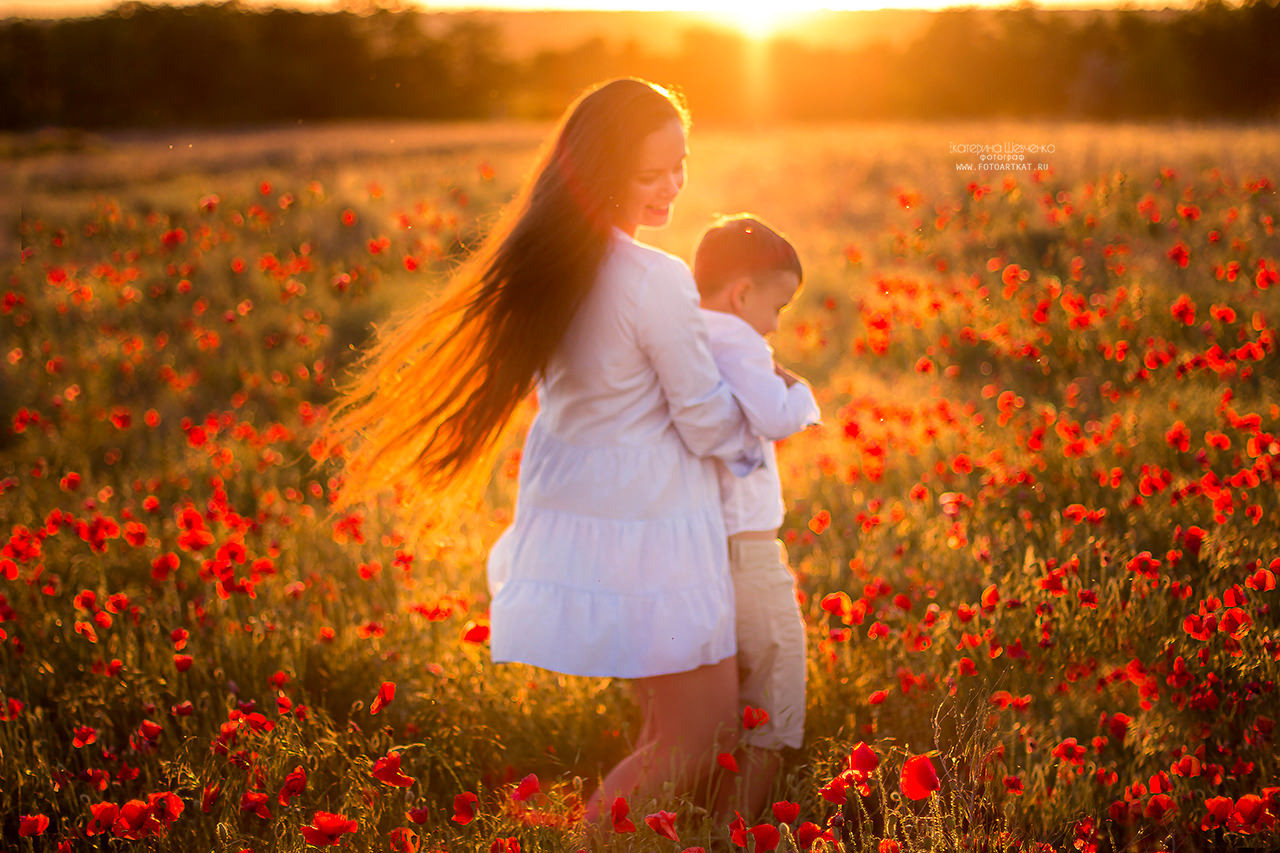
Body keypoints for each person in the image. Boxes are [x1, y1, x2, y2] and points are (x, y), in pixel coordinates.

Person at [323, 79, 762, 820]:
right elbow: (703, 418)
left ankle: (636, 838)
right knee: (696, 734)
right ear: (599, 173)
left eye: (680, 164)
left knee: (667, 724)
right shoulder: (652, 277)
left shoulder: (562, 261)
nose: (672, 187)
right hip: (655, 528)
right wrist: (763, 420)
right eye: (649, 174)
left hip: (599, 521)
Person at [692, 214, 820, 818]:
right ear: (743, 293)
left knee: (716, 711)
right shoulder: (739, 340)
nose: (775, 325)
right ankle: (733, 834)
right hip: (749, 557)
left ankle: (693, 821)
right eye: (778, 307)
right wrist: (804, 395)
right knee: (774, 703)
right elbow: (775, 418)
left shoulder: (687, 337)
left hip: (700, 554)